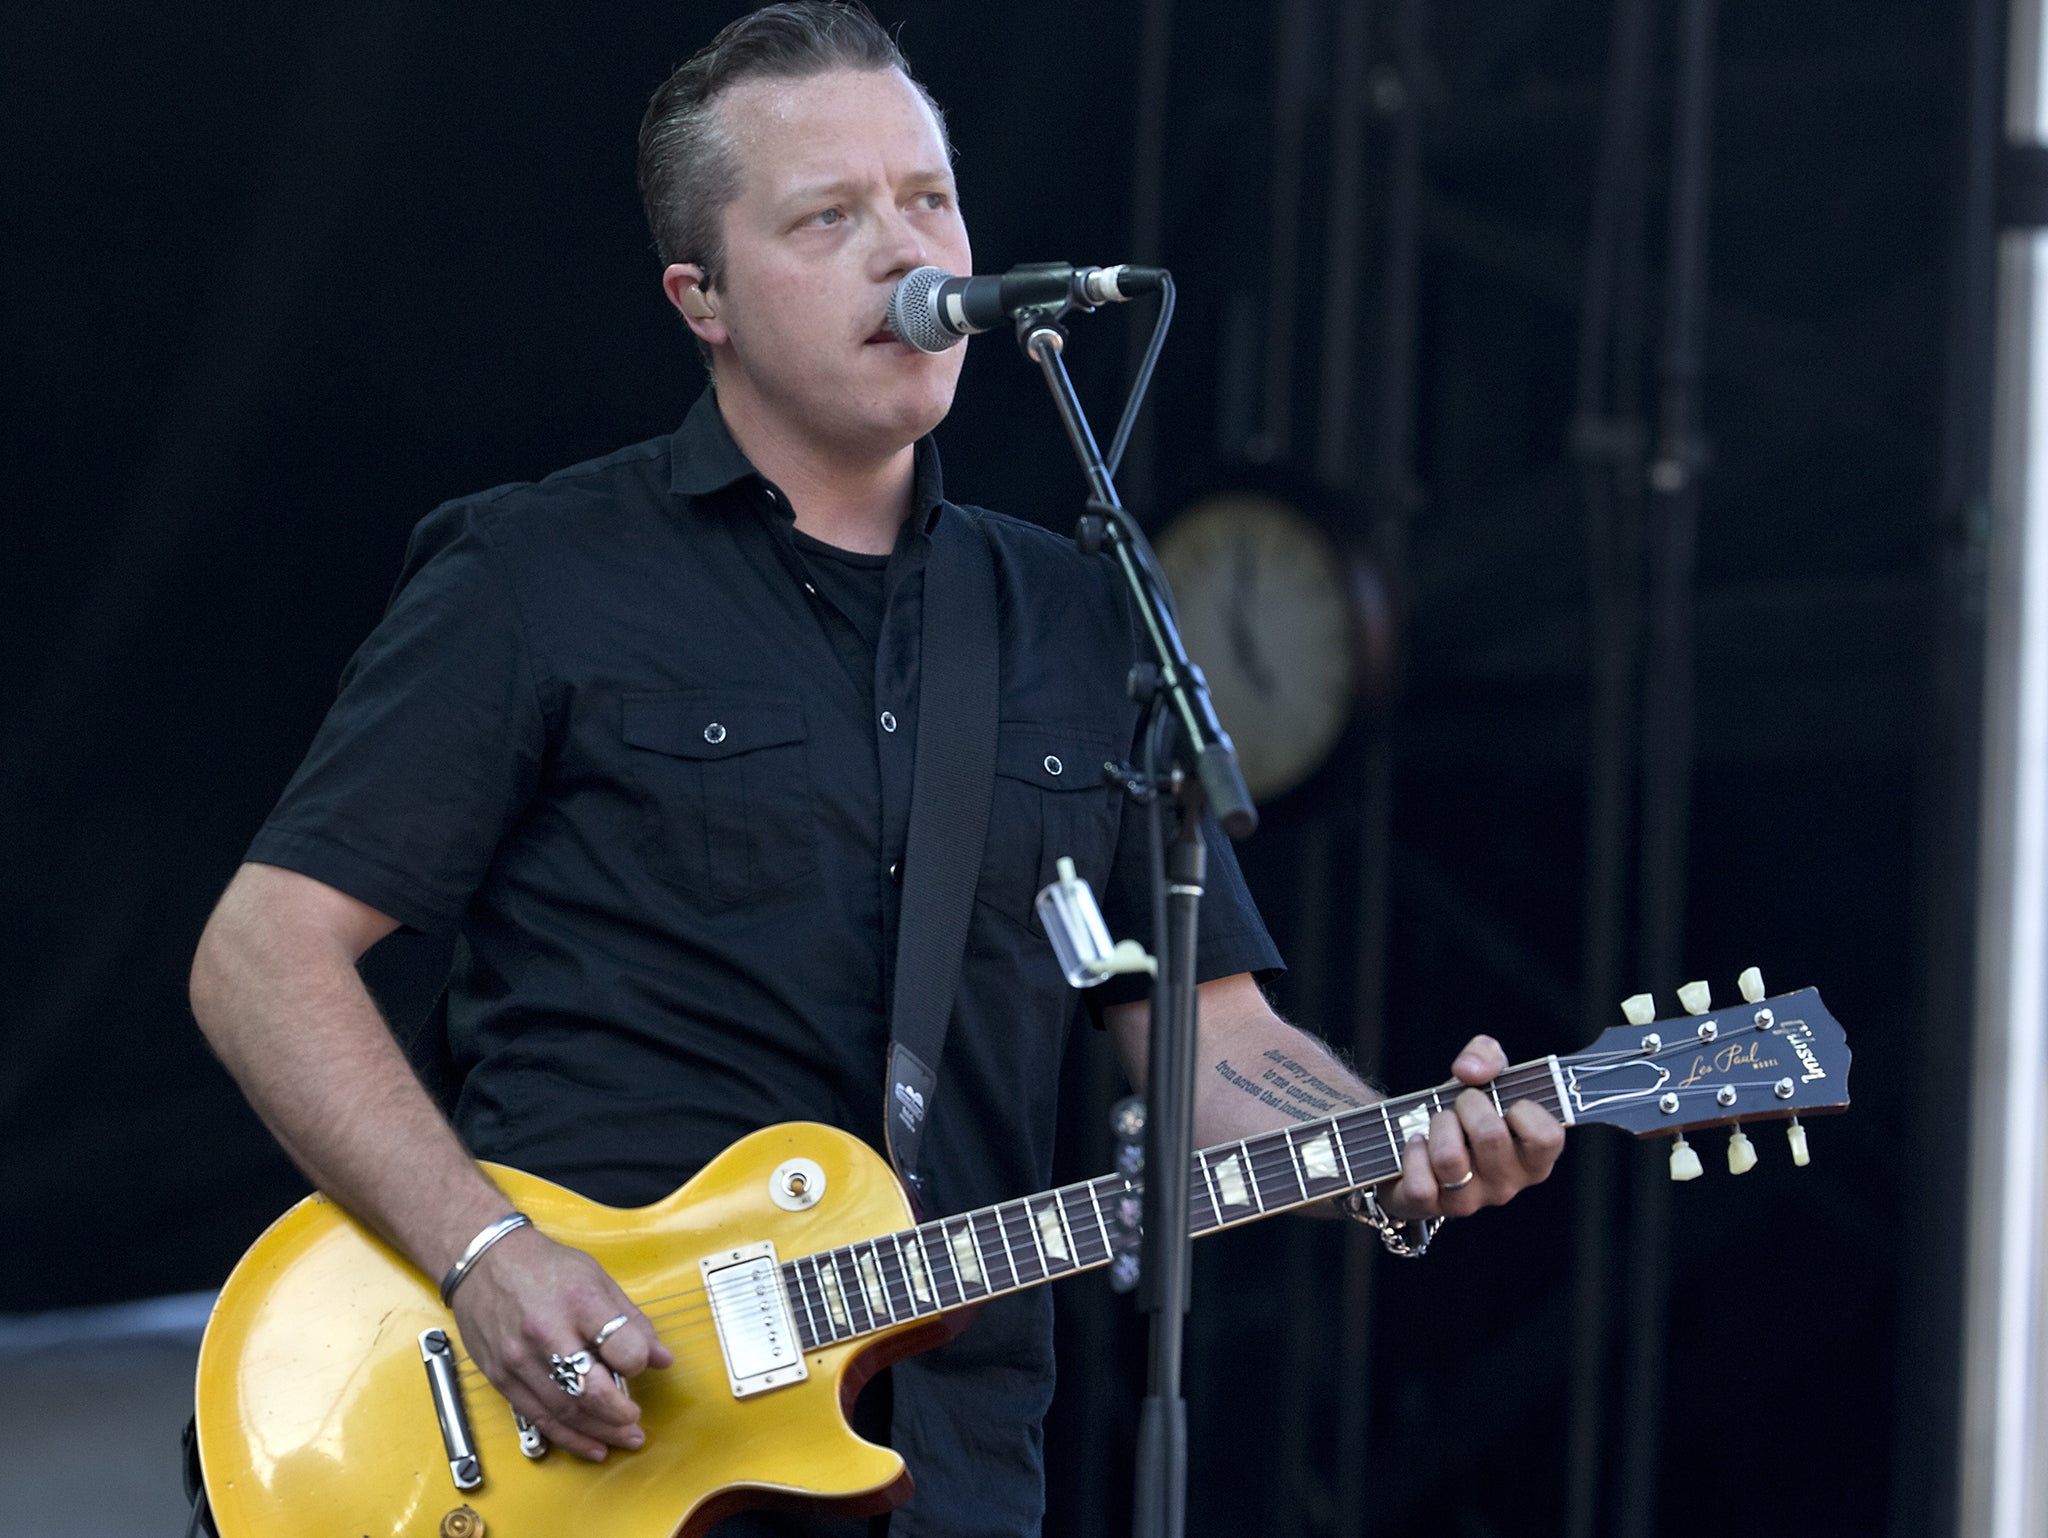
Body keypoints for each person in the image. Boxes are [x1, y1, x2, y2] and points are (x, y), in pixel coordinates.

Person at [187, 6, 1564, 1535]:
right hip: (575, 1438)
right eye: (828, 216)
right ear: (699, 297)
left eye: (926, 197)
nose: (904, 252)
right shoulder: (537, 575)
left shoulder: (1069, 608)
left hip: (940, 1471)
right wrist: (483, 1251)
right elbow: (265, 954)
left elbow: (1204, 1038)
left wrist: (1393, 1150)